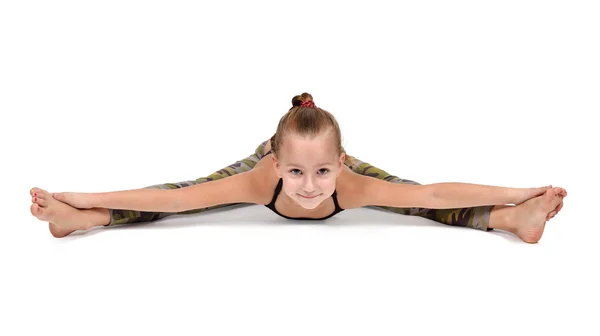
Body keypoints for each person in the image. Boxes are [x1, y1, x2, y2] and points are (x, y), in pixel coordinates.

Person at [29, 92, 566, 243]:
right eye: (296, 174)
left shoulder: (349, 184)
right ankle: (83, 221)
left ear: (342, 163)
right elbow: (173, 198)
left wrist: (517, 194)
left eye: (322, 173)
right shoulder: (262, 175)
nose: (310, 189)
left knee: (412, 200)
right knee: (185, 197)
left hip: (334, 157)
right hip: (265, 155)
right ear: (277, 164)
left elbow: (433, 192)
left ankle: (509, 222)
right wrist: (78, 197)